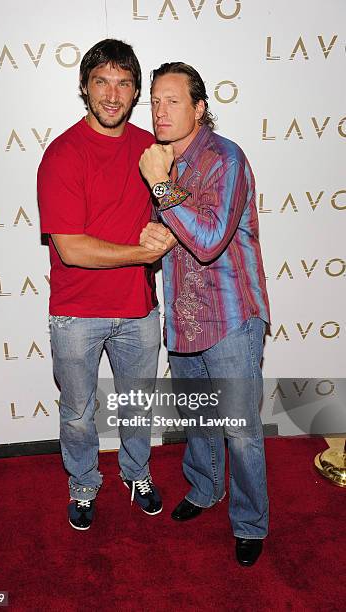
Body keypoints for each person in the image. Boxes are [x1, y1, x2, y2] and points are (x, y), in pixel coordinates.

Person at [37, 40, 174, 531]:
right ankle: (83, 482)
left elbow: (178, 206)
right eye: (102, 82)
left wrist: (167, 218)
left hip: (139, 309)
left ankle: (136, 473)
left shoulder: (151, 150)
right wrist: (144, 252)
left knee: (137, 405)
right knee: (78, 411)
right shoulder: (63, 154)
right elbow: (71, 248)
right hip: (76, 314)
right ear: (85, 88)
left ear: (136, 91)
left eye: (123, 83)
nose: (112, 95)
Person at [139, 62, 271, 566]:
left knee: (239, 427)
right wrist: (154, 237)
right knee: (198, 417)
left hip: (232, 315)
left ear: (198, 108)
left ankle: (251, 522)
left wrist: (160, 187)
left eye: (172, 100)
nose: (159, 110)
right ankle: (204, 488)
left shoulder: (224, 157)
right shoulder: (163, 162)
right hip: (186, 314)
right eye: (154, 100)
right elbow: (172, 232)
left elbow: (212, 239)